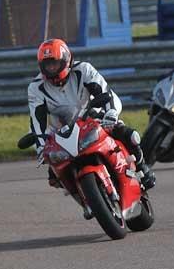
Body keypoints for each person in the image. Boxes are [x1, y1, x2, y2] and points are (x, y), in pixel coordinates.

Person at [28, 38, 155, 191]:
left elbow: (105, 92)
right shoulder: (36, 87)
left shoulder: (84, 70)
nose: (51, 68)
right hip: (62, 131)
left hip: (93, 117)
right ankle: (81, 194)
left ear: (65, 60)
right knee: (54, 175)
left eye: (54, 63)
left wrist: (111, 113)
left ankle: (142, 168)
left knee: (127, 135)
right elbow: (37, 119)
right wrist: (41, 147)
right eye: (47, 65)